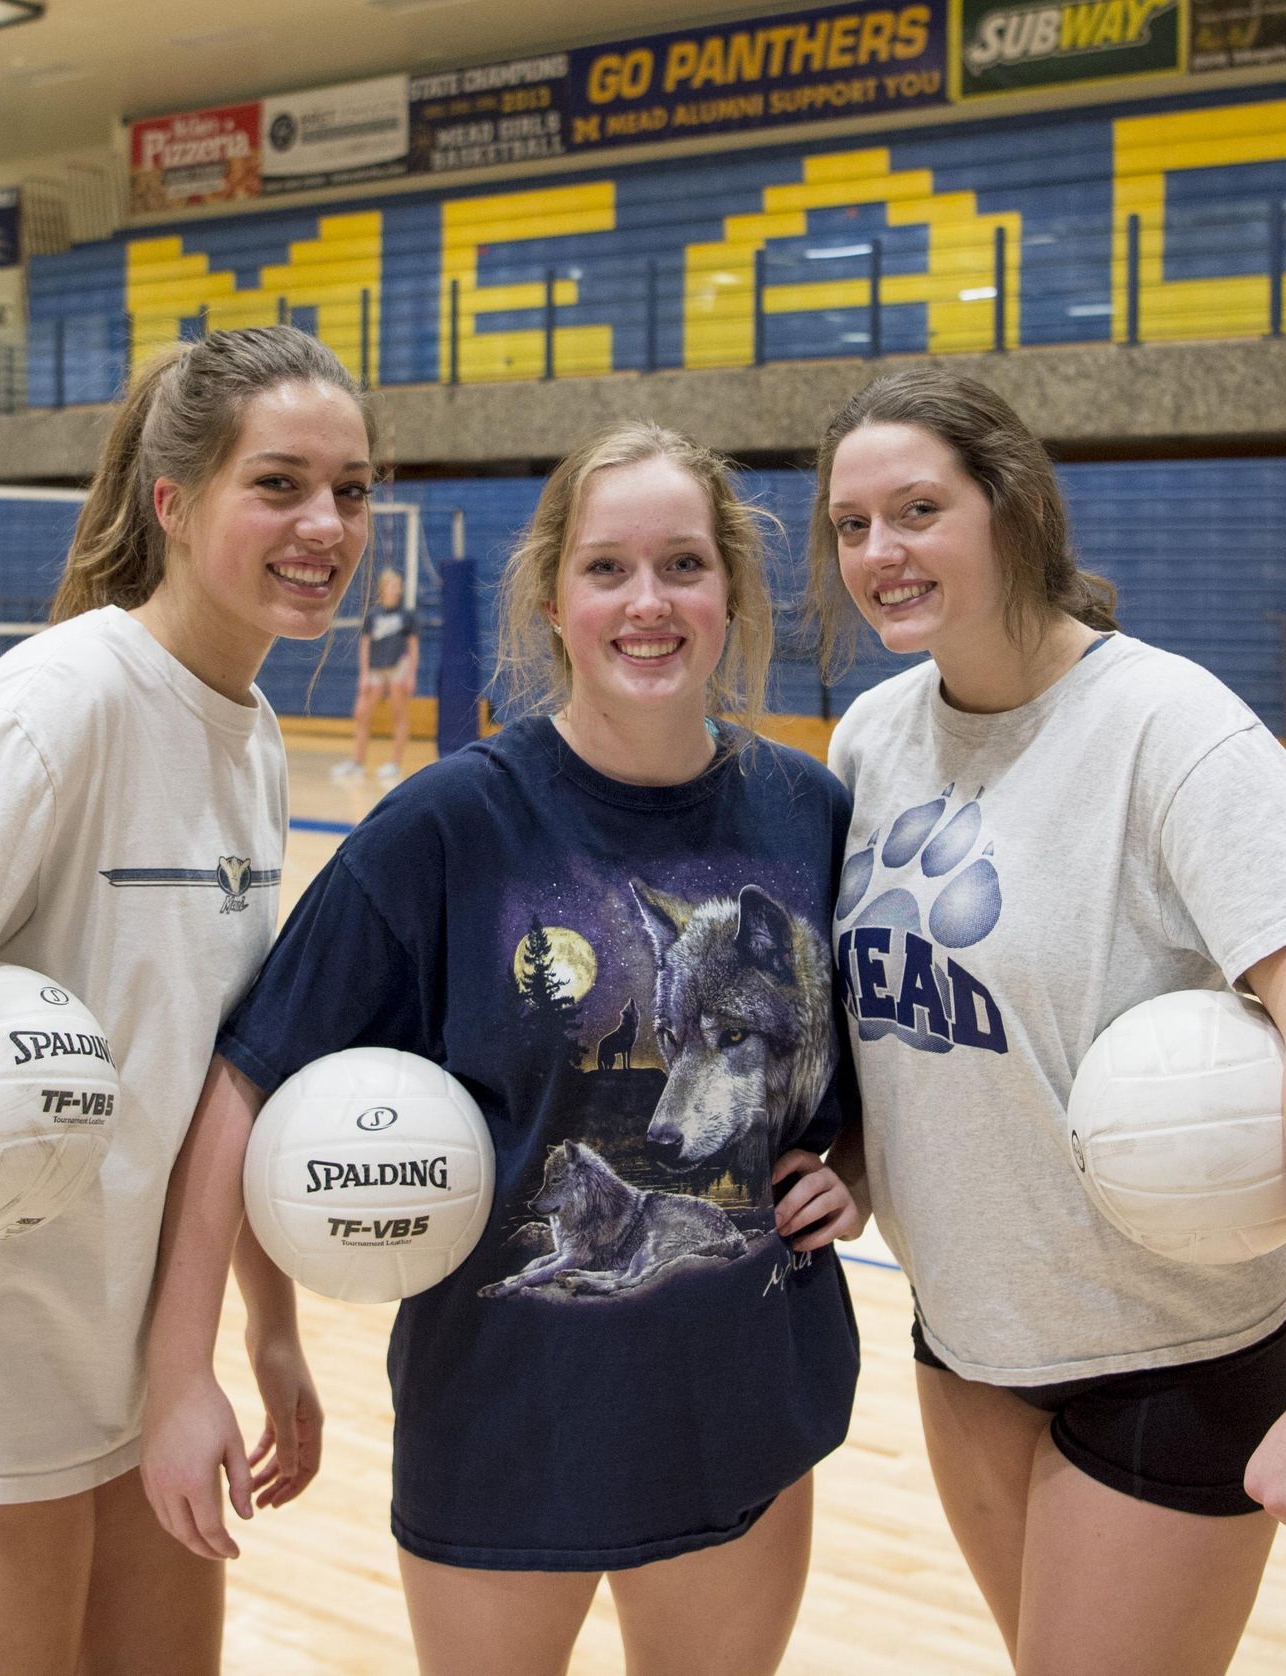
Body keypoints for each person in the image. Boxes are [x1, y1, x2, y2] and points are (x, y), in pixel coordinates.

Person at [139, 421, 865, 1676]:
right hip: (505, 1422)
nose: (649, 603)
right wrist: (190, 1364)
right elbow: (240, 1082)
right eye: (607, 569)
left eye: (684, 564)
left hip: (738, 1405)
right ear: (551, 599)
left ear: (732, 591)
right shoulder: (447, 824)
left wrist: (849, 1167)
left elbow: (833, 1077)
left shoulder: (807, 811)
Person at [0, 326, 374, 1671]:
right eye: (278, 483)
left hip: (131, 1360)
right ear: (174, 502)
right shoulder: (64, 703)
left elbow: (218, 1057)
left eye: (353, 487)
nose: (326, 523)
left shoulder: (256, 737)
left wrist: (262, 1327)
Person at [809, 367, 1286, 1676]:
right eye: (851, 525)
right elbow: (886, 1014)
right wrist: (854, 1157)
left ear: (1011, 509)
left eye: (917, 509)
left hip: (1170, 1354)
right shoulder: (870, 740)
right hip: (966, 1336)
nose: (880, 552)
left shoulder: (1164, 725)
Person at [336, 566, 419, 783]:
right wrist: (363, 675)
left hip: (397, 668)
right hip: (374, 669)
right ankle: (357, 762)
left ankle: (394, 764)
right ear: (383, 588)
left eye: (399, 585)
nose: (397, 589)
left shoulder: (406, 616)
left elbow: (413, 647)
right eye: (393, 585)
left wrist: (411, 675)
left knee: (399, 715)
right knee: (362, 714)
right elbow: (365, 646)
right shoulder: (373, 616)